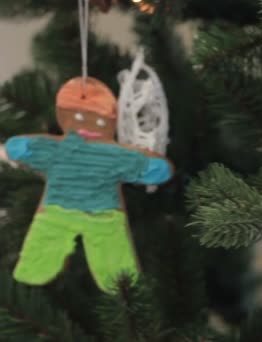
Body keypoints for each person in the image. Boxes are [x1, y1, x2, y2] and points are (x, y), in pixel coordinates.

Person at [4, 77, 172, 293]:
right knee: (112, 258)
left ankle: (31, 279)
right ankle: (122, 289)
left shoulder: (59, 149)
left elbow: (19, 148)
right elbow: (154, 170)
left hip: (62, 212)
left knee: (48, 245)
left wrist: (14, 147)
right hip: (99, 215)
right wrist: (156, 168)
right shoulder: (112, 155)